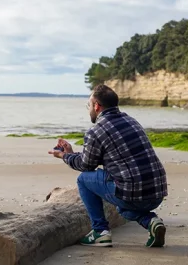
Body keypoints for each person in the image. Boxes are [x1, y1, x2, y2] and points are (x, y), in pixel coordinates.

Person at [49, 84, 168, 247]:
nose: (89, 109)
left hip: (133, 193)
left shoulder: (96, 131)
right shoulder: (131, 121)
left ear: (97, 106)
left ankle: (100, 232)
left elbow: (86, 166)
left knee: (84, 179)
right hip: (157, 192)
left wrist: (64, 155)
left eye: (89, 105)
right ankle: (151, 221)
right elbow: (93, 159)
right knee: (122, 207)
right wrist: (71, 152)